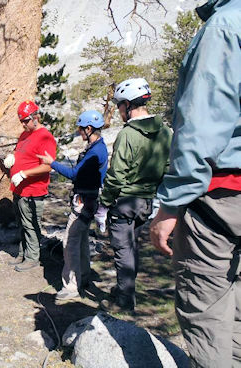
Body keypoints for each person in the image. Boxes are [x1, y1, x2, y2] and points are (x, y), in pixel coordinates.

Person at [150, 1, 241, 366]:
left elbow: (201, 125)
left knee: (207, 314)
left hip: (219, 198)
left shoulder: (225, 26)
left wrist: (171, 204)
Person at [99, 78, 172, 312]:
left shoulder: (128, 134)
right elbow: (169, 168)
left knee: (123, 251)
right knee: (132, 248)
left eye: (120, 105)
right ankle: (125, 289)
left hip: (124, 202)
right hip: (146, 203)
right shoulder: (165, 131)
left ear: (129, 105)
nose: (119, 111)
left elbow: (117, 175)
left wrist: (104, 203)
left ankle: (124, 301)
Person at [37, 110, 108, 300]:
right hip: (88, 200)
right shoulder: (97, 147)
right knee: (82, 242)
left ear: (89, 128)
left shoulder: (96, 151)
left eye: (81, 129)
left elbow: (75, 174)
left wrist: (52, 163)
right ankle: (84, 277)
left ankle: (71, 286)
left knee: (70, 243)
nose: (79, 132)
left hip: (84, 202)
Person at [4, 100, 57, 272]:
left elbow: (48, 165)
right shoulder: (24, 135)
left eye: (26, 120)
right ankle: (23, 253)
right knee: (21, 223)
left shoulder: (45, 137)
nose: (24, 124)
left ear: (36, 117)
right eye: (22, 121)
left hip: (33, 191)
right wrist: (11, 158)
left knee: (31, 225)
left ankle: (32, 257)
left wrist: (24, 174)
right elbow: (22, 153)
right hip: (19, 189)